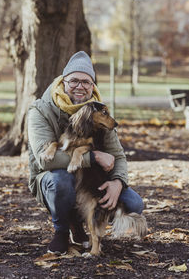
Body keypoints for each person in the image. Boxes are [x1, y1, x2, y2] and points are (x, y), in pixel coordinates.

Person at [28, 51, 144, 254]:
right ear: (64, 82)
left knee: (134, 203)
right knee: (60, 181)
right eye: (74, 81)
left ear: (92, 87)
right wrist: (93, 157)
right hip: (53, 178)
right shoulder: (41, 110)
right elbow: (44, 160)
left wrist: (118, 182)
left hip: (89, 181)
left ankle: (92, 228)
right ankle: (62, 231)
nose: (80, 86)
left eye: (86, 82)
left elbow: (118, 155)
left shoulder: (98, 112)